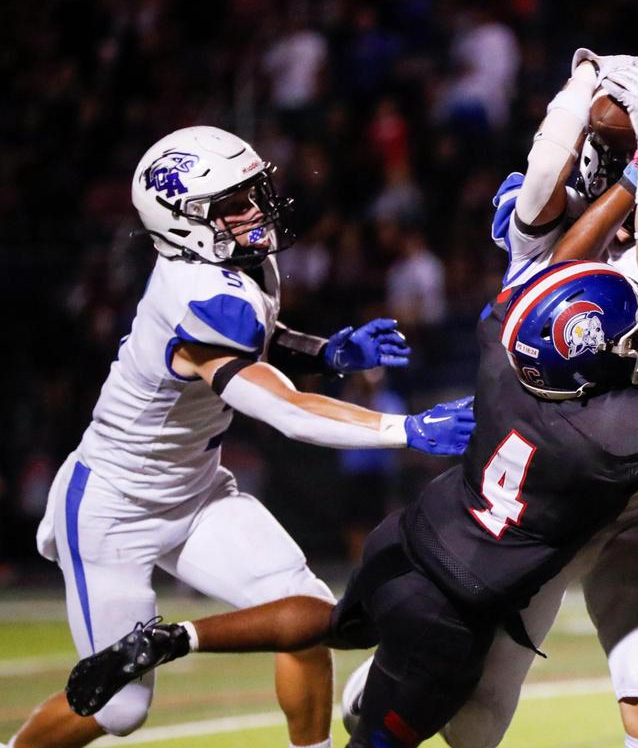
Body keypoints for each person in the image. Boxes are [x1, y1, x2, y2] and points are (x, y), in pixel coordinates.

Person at [63, 236, 638, 747]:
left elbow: (555, 266)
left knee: (330, 620)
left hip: (410, 539)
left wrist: (629, 182)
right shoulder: (616, 430)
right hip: (455, 615)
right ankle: (186, 644)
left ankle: (175, 636)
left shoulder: (500, 348)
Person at [4, 126, 476, 748]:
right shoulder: (197, 296)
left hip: (197, 492)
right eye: (231, 204)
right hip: (114, 508)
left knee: (306, 615)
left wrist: (326, 353)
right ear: (183, 222)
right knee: (119, 709)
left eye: (252, 193)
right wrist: (405, 429)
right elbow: (285, 410)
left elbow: (262, 339)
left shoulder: (235, 266)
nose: (254, 210)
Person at [345, 51, 638, 748]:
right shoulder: (545, 238)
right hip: (537, 510)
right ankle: (375, 690)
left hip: (627, 498)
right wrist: (593, 85)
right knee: (475, 728)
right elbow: (541, 197)